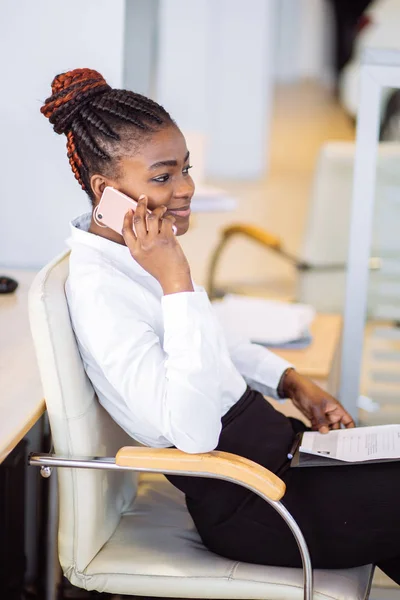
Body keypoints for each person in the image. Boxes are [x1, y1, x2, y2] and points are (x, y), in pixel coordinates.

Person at [41, 68, 400, 584]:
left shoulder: (134, 252)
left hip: (285, 460)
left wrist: (292, 382)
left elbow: (211, 342)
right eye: (163, 177)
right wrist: (176, 279)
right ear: (106, 190)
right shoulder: (102, 293)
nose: (186, 189)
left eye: (185, 169)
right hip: (255, 503)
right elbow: (191, 433)